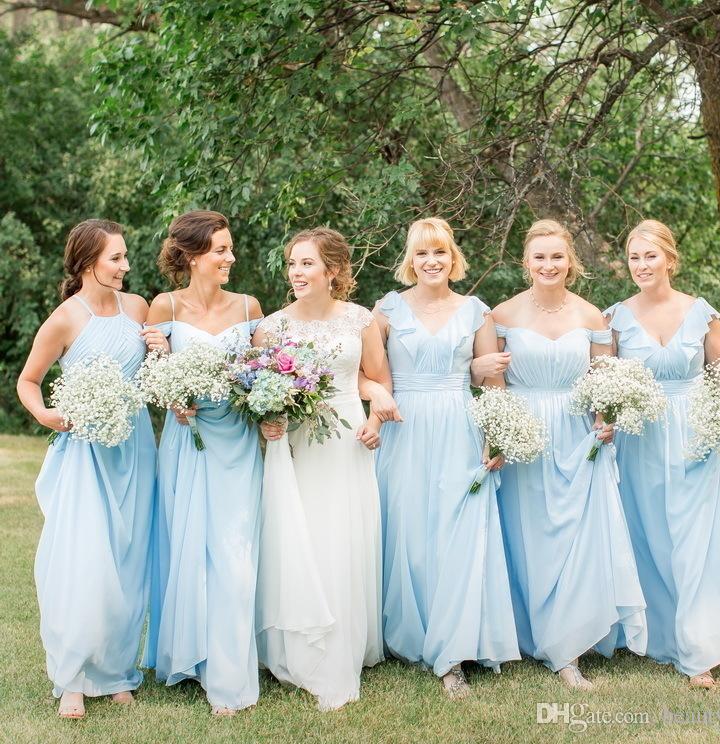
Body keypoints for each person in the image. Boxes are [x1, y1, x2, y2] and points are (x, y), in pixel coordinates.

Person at [605, 219, 720, 688]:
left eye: (650, 256)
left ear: (670, 260)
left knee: (698, 536)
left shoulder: (702, 313)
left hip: (698, 434)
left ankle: (701, 649)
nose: (642, 265)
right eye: (635, 257)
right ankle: (662, 631)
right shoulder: (615, 317)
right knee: (654, 535)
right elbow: (606, 385)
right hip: (642, 440)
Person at [364, 217, 519, 699]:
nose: (432, 261)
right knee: (408, 528)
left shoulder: (476, 312)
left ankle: (454, 648)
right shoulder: (384, 311)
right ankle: (407, 633)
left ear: (454, 258)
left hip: (458, 425)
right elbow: (371, 376)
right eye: (422, 253)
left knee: (458, 528)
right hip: (404, 428)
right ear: (410, 261)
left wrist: (498, 437)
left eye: (441, 253)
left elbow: (492, 382)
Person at [17, 219, 164, 718]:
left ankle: (118, 671)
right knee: (84, 561)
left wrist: (163, 353)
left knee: (127, 559)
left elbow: (153, 374)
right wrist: (45, 414)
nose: (126, 266)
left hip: (136, 446)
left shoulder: (139, 308)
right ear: (86, 264)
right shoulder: (65, 318)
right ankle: (74, 677)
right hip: (84, 450)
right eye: (116, 259)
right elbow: (29, 381)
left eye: (125, 257)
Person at [491, 219, 646, 690]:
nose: (548, 265)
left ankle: (569, 646)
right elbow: (492, 382)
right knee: (528, 537)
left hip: (578, 435)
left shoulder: (592, 316)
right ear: (526, 262)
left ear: (571, 262)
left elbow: (605, 382)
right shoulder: (502, 314)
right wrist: (499, 434)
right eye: (540, 257)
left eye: (557, 256)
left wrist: (608, 418)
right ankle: (524, 633)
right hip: (523, 432)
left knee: (576, 535)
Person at [253, 227, 386, 711]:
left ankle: (342, 642)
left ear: (333, 270)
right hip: (297, 443)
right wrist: (268, 418)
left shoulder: (360, 319)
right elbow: (262, 389)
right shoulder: (273, 327)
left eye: (307, 263)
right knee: (300, 535)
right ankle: (297, 645)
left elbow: (375, 378)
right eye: (292, 264)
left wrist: (375, 420)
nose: (296, 272)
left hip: (348, 437)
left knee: (342, 537)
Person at [145, 210, 264, 715]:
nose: (230, 258)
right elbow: (153, 377)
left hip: (236, 438)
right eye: (221, 250)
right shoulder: (163, 306)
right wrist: (170, 393)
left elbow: (268, 375)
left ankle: (230, 667)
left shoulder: (248, 307)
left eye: (230, 248)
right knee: (190, 545)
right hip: (187, 438)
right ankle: (192, 655)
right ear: (194, 256)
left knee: (234, 553)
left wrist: (274, 408)